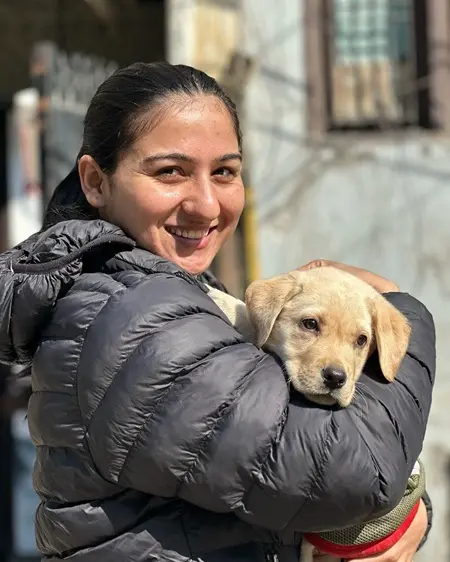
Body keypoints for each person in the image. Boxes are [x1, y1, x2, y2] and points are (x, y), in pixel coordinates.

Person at [0, 62, 434, 562]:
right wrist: (406, 316)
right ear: (96, 181)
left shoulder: (182, 295)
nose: (207, 205)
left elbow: (291, 477)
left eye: (225, 171)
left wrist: (403, 516)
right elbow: (350, 474)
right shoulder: (126, 316)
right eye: (170, 171)